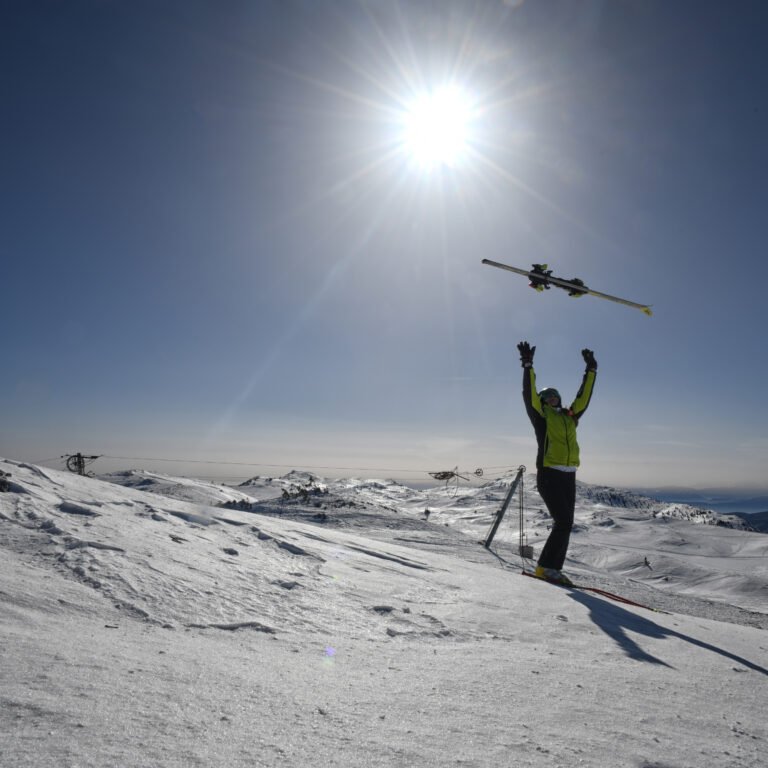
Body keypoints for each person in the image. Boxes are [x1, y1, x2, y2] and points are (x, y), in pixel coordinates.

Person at [517, 341, 597, 585]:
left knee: (566, 523)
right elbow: (529, 395)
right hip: (549, 473)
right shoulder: (541, 417)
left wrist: (591, 371)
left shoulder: (569, 417)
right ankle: (545, 568)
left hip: (568, 475)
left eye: (555, 396)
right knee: (563, 521)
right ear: (543, 401)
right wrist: (528, 365)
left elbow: (583, 399)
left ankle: (550, 568)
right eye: (547, 397)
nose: (552, 398)